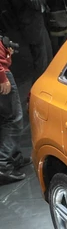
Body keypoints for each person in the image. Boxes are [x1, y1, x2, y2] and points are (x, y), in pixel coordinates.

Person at [0, 36, 28, 184]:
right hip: (2, 75)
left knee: (6, 118)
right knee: (13, 119)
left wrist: (6, 54)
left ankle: (13, 158)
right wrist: (2, 77)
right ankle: (3, 165)